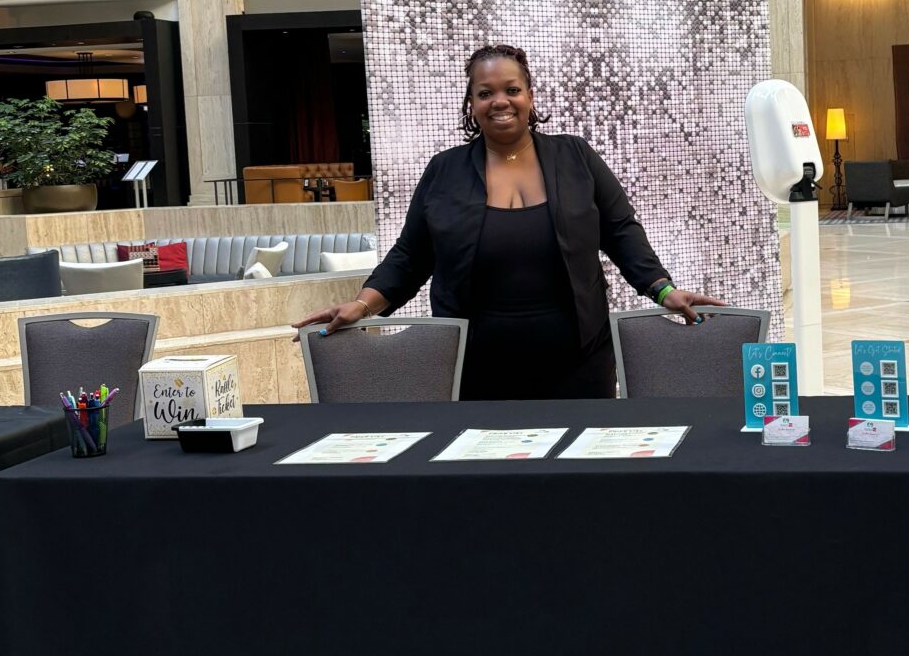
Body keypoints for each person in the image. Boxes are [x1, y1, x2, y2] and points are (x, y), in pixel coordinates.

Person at [295, 43, 722, 399]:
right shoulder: (444, 171)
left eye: (511, 89)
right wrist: (363, 303)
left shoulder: (575, 156)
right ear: (472, 103)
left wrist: (662, 289)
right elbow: (411, 256)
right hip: (476, 367)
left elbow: (621, 232)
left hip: (579, 363)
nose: (500, 101)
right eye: (485, 93)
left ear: (530, 96)